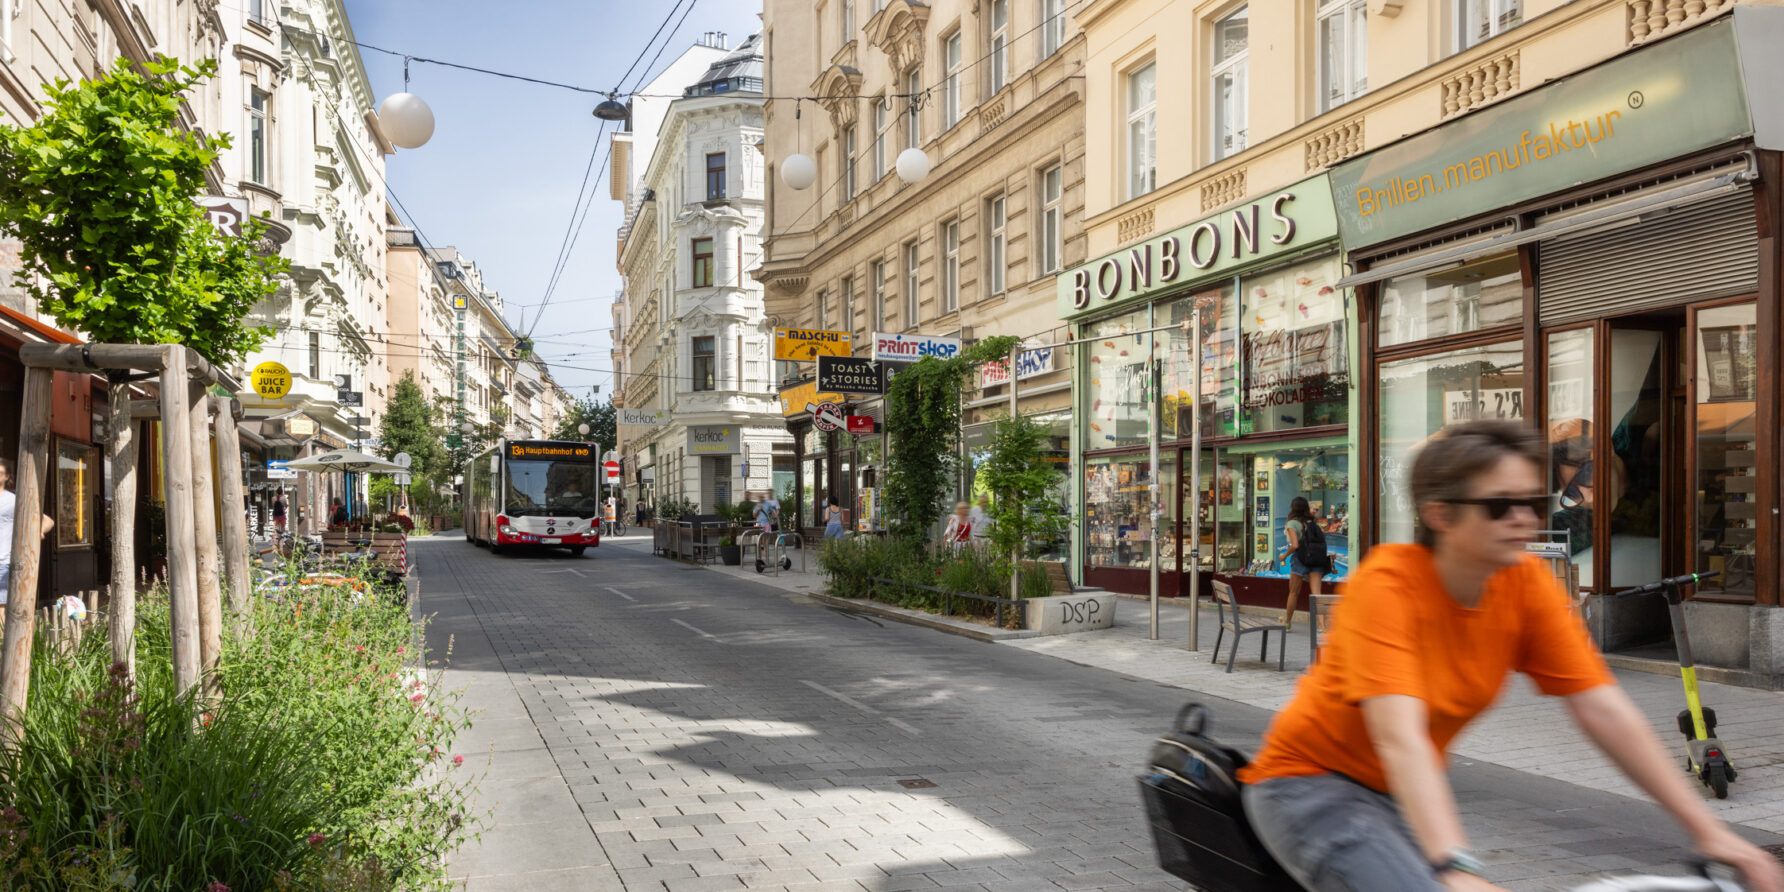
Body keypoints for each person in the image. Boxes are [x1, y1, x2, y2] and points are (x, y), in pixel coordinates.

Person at [1238, 420, 1783, 892]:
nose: (1523, 518)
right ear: (1440, 514)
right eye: (1500, 505)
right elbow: (1400, 737)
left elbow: (1604, 710)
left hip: (1393, 798)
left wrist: (1712, 834)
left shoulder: (1523, 583)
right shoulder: (1388, 585)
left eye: (1531, 502)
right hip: (1309, 786)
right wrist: (1453, 864)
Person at [0, 459, 54, 624]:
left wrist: (38, 532)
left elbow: (47, 521)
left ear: (7, 477)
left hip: (3, 561)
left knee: (1, 610)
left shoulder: (14, 500)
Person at [1279, 496, 1327, 631]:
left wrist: (1284, 556)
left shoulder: (1292, 524)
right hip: (1316, 559)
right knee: (1317, 594)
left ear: (1293, 508)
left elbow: (1295, 545)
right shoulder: (1312, 522)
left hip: (1300, 559)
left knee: (1293, 593)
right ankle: (1322, 626)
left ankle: (1288, 623)